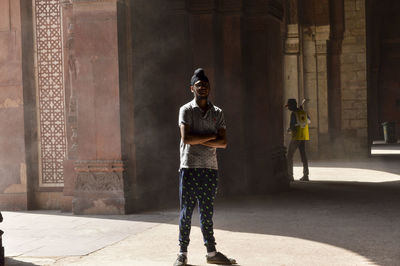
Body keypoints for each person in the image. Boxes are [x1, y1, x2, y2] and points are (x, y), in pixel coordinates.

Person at [174, 68, 236, 266]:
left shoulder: (217, 112)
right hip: (189, 167)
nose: (203, 88)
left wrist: (200, 138)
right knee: (186, 212)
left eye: (206, 85)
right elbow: (187, 138)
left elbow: (224, 143)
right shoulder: (186, 110)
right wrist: (212, 136)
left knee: (207, 212)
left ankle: (211, 252)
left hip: (210, 168)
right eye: (199, 85)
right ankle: (182, 253)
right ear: (192, 88)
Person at [285, 98, 310, 181]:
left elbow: (292, 126)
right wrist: (301, 113)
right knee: (304, 155)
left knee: (289, 156)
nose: (288, 108)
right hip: (303, 136)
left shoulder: (293, 113)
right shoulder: (302, 112)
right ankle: (306, 175)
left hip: (296, 137)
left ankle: (290, 176)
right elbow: (308, 121)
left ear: (292, 105)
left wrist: (289, 129)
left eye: (289, 106)